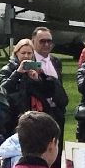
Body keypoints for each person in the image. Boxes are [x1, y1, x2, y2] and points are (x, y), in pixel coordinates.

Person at [27, 26, 70, 155]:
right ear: (33, 41)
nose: (46, 44)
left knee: (56, 150)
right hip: (39, 112)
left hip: (57, 112)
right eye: (42, 41)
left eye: (49, 41)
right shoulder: (29, 61)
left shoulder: (56, 61)